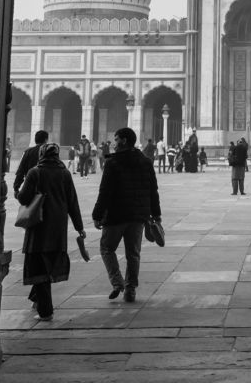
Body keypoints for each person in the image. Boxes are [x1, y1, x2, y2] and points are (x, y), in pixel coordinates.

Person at [17, 142, 86, 321]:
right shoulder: (65, 173)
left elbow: (23, 198)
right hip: (58, 227)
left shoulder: (35, 172)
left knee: (39, 267)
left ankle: (45, 311)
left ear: (42, 154)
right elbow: (73, 202)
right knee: (49, 263)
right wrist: (79, 227)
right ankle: (37, 298)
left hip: (39, 226)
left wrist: (20, 192)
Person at [92, 127, 161, 303]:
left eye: (116, 140)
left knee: (107, 248)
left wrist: (97, 214)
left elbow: (105, 192)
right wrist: (156, 214)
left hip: (116, 214)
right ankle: (130, 289)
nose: (114, 144)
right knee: (133, 253)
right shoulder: (145, 162)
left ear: (123, 140)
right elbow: (153, 190)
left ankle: (117, 282)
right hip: (138, 215)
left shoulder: (113, 163)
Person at [13, 129, 49, 197]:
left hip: (30, 187)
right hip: (47, 188)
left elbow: (20, 171)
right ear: (46, 140)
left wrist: (16, 188)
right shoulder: (50, 152)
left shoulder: (28, 152)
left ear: (35, 140)